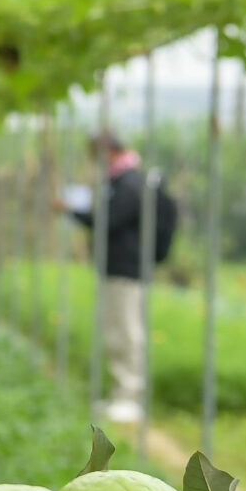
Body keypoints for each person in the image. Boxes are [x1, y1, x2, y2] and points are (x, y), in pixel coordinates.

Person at [70, 131, 177, 428]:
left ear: (110, 152)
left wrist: (75, 212)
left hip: (127, 270)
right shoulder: (121, 181)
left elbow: (109, 220)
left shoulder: (129, 184)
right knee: (117, 330)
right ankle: (121, 394)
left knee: (127, 331)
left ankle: (131, 397)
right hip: (118, 269)